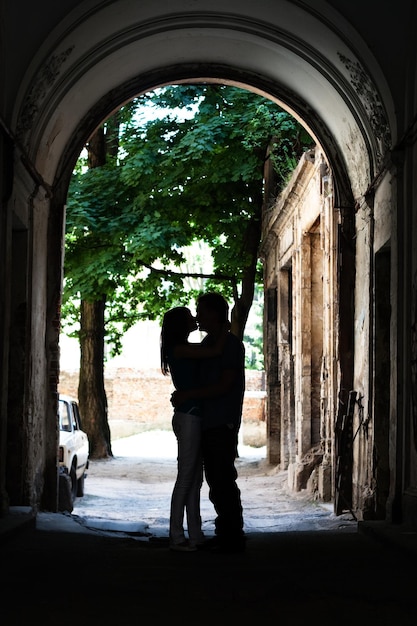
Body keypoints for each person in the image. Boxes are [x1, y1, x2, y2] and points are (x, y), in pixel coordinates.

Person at [171, 292, 246, 553]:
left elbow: (224, 385)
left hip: (220, 420)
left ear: (215, 313)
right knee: (214, 479)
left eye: (201, 311)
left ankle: (232, 534)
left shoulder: (230, 345)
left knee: (222, 478)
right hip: (206, 420)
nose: (198, 317)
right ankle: (225, 532)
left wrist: (187, 395)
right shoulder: (208, 343)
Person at [160, 306, 228, 552]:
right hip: (188, 416)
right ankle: (177, 535)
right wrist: (225, 328)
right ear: (181, 324)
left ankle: (195, 534)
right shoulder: (179, 349)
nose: (196, 319)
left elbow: (208, 350)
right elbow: (215, 351)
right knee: (186, 478)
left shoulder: (184, 348)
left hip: (192, 415)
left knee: (194, 479)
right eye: (191, 317)